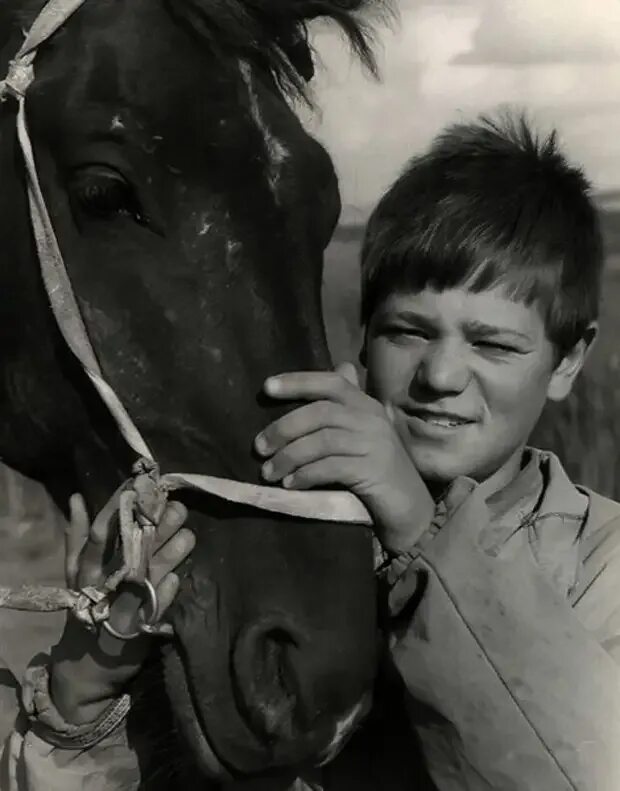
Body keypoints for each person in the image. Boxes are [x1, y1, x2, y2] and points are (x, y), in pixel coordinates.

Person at [2, 110, 620, 791]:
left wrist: (422, 534)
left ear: (568, 360)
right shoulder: (279, 542)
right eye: (407, 331)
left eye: (494, 343)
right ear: (360, 338)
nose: (440, 376)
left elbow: (584, 768)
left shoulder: (600, 563)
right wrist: (83, 699)